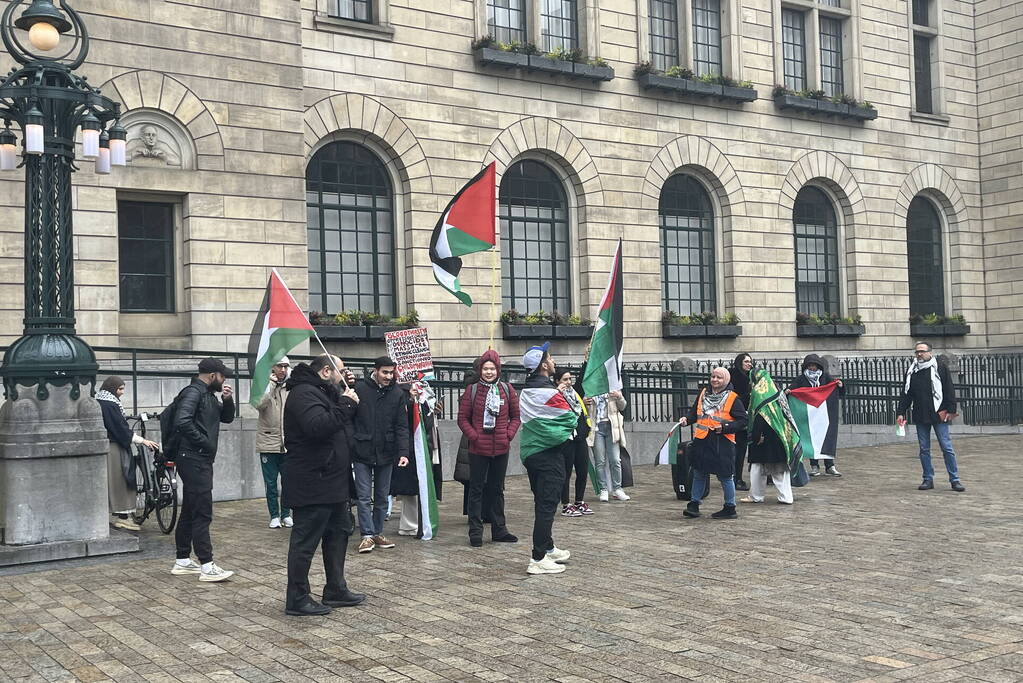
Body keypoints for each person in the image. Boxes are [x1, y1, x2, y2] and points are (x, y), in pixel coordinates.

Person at [282, 354, 366, 616]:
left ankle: (335, 589)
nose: (345, 375)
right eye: (342, 371)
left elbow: (340, 422)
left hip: (334, 482)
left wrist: (343, 394)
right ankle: (297, 598)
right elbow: (318, 427)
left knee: (338, 534)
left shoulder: (324, 391)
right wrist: (345, 403)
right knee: (305, 542)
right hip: (313, 482)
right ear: (327, 371)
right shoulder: (303, 394)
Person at [170, 358, 235, 582]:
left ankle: (182, 560)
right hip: (194, 458)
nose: (224, 379)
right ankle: (207, 565)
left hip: (196, 458)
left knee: (190, 507)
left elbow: (226, 418)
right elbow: (182, 421)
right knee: (202, 511)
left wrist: (228, 400)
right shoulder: (194, 393)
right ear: (212, 375)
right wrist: (204, 443)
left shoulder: (208, 395)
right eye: (222, 375)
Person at [518, 343, 575, 575]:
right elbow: (570, 418)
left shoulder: (527, 390)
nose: (553, 361)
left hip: (532, 453)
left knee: (542, 501)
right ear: (543, 365)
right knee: (547, 505)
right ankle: (538, 558)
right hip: (548, 455)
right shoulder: (549, 392)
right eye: (550, 358)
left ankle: (548, 547)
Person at [457, 349, 520, 547]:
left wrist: (508, 435)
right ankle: (475, 531)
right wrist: (474, 436)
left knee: (497, 490)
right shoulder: (473, 390)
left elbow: (516, 417)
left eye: (492, 369)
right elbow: (462, 418)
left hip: (501, 448)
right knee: (476, 490)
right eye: (485, 369)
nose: (489, 372)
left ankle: (499, 529)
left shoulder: (507, 389)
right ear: (480, 370)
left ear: (498, 370)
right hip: (478, 449)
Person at [352, 356, 409, 553]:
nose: (388, 376)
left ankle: (377, 532)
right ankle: (367, 535)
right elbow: (349, 418)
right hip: (362, 449)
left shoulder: (397, 393)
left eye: (391, 372)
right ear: (375, 371)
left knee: (383, 496)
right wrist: (353, 441)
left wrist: (403, 452)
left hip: (386, 450)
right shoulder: (360, 388)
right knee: (363, 496)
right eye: (385, 372)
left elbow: (402, 425)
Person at [679, 367, 748, 520]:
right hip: (702, 440)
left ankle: (730, 507)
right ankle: (694, 504)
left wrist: (725, 427)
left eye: (719, 378)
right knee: (699, 473)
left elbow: (743, 421)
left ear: (726, 380)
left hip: (722, 442)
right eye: (713, 377)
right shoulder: (703, 393)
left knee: (725, 476)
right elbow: (694, 413)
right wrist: (686, 419)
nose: (715, 380)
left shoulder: (732, 398)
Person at [897, 342, 966, 492]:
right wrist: (901, 412)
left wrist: (951, 410)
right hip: (921, 413)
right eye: (917, 352)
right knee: (924, 448)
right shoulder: (912, 371)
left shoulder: (940, 368)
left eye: (922, 351)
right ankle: (928, 478)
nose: (919, 354)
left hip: (939, 413)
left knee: (946, 447)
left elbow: (949, 389)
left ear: (930, 352)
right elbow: (906, 394)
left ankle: (954, 479)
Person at [97, 376, 159, 532]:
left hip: (111, 445)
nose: (122, 392)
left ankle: (121, 516)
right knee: (121, 480)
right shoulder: (109, 404)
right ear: (112, 389)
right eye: (120, 389)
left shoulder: (102, 401)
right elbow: (120, 428)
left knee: (118, 480)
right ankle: (121, 517)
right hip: (114, 447)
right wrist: (142, 440)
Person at [391, 383, 444, 537]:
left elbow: (427, 414)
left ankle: (421, 520)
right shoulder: (401, 390)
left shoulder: (426, 388)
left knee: (424, 481)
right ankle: (410, 524)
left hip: (427, 440)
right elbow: (402, 416)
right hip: (411, 443)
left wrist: (435, 410)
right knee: (411, 484)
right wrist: (411, 400)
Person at [740, 369, 798, 505]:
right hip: (779, 435)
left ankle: (757, 496)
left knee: (759, 468)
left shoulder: (759, 393)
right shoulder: (776, 389)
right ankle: (785, 496)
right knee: (777, 469)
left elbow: (759, 416)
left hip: (764, 437)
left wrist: (755, 436)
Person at [787, 354, 844, 476]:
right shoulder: (801, 379)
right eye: (810, 365)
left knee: (826, 437)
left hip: (823, 414)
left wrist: (840, 385)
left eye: (814, 365)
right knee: (811, 439)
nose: (812, 368)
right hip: (809, 416)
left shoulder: (825, 377)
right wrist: (788, 391)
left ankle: (830, 465)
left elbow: (836, 391)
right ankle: (814, 466)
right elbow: (792, 390)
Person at [255, 357, 292, 529]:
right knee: (270, 483)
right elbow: (259, 404)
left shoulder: (292, 385)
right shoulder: (264, 384)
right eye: (279, 366)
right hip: (268, 441)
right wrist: (270, 385)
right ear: (272, 368)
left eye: (286, 366)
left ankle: (286, 514)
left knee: (288, 481)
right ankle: (274, 515)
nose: (283, 370)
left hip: (288, 442)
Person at [555, 368, 594, 517]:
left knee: (582, 471)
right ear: (557, 381)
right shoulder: (556, 395)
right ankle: (566, 504)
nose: (568, 383)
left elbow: (583, 377)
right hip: (567, 438)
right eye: (565, 380)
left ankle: (579, 501)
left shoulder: (575, 393)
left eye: (570, 379)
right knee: (566, 473)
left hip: (580, 437)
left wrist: (586, 359)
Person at [584, 386, 629, 503]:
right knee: (600, 461)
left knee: (615, 459)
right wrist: (584, 403)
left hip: (611, 427)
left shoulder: (613, 387)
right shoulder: (591, 387)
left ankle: (617, 488)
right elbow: (584, 411)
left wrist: (619, 397)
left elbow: (623, 406)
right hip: (596, 428)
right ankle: (603, 489)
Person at [729, 353, 754, 491]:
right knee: (737, 450)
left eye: (750, 362)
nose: (749, 364)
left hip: (748, 416)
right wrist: (747, 396)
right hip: (734, 418)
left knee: (743, 449)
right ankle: (735, 477)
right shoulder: (732, 375)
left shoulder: (752, 377)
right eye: (746, 362)